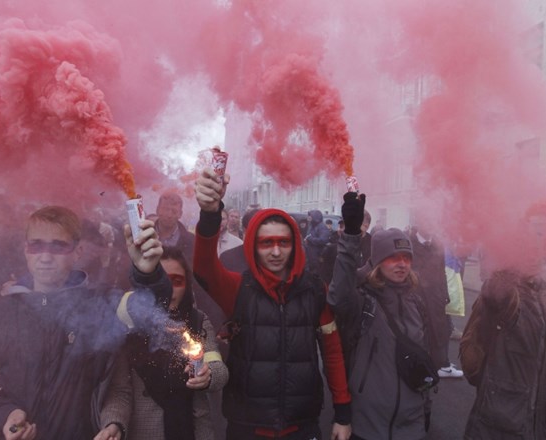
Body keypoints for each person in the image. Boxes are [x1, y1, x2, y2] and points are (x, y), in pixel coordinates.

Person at [0, 205, 174, 440]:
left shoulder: (101, 305)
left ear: (78, 251)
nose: (45, 256)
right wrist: (4, 416)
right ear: (25, 250)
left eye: (58, 246)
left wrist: (148, 274)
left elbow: (151, 310)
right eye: (36, 245)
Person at [193, 168, 352, 440]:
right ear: (253, 246)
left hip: (302, 424)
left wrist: (343, 414)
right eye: (267, 243)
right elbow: (204, 269)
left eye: (283, 242)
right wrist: (209, 214)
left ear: (295, 245)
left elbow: (333, 353)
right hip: (247, 426)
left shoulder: (314, 290)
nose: (276, 251)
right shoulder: (238, 288)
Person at [329, 193, 430, 440]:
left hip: (412, 424)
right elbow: (337, 297)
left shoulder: (416, 299)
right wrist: (351, 237)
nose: (402, 264)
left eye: (406, 258)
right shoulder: (363, 298)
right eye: (393, 258)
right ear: (377, 262)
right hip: (367, 425)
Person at [462, 269, 546, 439]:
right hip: (499, 426)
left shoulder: (540, 296)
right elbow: (494, 295)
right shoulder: (503, 294)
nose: (535, 251)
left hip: (535, 423)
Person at [125, 247, 228, 440]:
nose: (170, 290)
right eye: (161, 281)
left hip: (192, 429)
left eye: (177, 281)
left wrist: (208, 375)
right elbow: (118, 389)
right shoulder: (130, 324)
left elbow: (218, 367)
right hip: (145, 430)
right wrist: (113, 423)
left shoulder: (197, 320)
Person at [409, 226, 463, 379]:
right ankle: (426, 365)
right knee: (421, 333)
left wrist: (445, 294)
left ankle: (441, 364)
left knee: (441, 330)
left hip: (436, 297)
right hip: (417, 297)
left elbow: (441, 271)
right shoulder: (410, 243)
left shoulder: (437, 243)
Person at [154, 190, 195, 262]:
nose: (169, 215)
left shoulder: (192, 241)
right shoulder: (144, 237)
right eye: (165, 209)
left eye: (174, 211)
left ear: (180, 214)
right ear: (157, 210)